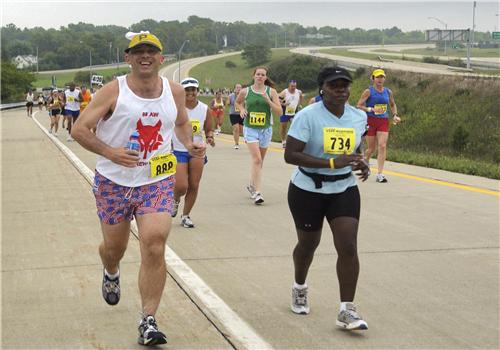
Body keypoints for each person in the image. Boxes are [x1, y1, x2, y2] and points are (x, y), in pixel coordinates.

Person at [72, 31, 205, 347]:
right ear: (128, 58)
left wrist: (190, 143)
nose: (145, 56)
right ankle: (111, 268)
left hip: (156, 179)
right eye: (138, 51)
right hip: (114, 182)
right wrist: (111, 152)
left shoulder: (173, 91)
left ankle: (148, 320)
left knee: (155, 243)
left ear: (162, 58)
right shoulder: (112, 91)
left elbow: (182, 123)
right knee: (114, 248)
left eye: (151, 51)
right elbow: (79, 129)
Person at [284, 66, 370, 331]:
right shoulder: (307, 116)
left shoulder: (357, 117)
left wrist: (361, 162)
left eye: (345, 85)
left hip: (343, 188)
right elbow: (291, 155)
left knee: (347, 245)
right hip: (308, 189)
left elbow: (354, 147)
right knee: (308, 244)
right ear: (322, 88)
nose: (341, 90)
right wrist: (332, 163)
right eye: (334, 85)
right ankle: (299, 286)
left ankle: (347, 310)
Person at [235, 66, 282, 205]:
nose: (260, 76)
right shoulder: (246, 91)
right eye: (258, 74)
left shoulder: (271, 91)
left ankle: (252, 184)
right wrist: (242, 109)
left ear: (266, 78)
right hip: (250, 129)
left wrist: (268, 100)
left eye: (263, 75)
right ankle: (258, 192)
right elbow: (238, 102)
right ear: (253, 76)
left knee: (260, 161)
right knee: (256, 160)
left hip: (265, 130)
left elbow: (279, 112)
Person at [172, 77, 215, 228]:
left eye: (193, 90)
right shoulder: (176, 108)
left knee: (194, 184)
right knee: (181, 185)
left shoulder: (204, 109)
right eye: (187, 90)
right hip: (178, 149)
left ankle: (186, 215)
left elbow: (209, 128)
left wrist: (209, 137)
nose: (190, 93)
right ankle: (175, 199)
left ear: (197, 91)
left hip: (197, 150)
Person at [356, 68, 401, 183]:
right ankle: (365, 163)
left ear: (384, 79)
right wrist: (370, 109)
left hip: (383, 121)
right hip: (370, 121)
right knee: (371, 148)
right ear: (373, 79)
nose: (380, 79)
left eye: (382, 77)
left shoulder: (388, 92)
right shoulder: (368, 91)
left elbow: (392, 104)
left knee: (382, 146)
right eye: (378, 77)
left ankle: (380, 174)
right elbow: (359, 105)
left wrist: (395, 115)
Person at [278, 80, 303, 148]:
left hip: (294, 112)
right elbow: (277, 101)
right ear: (289, 85)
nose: (293, 87)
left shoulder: (299, 92)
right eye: (292, 86)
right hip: (284, 112)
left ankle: (294, 142)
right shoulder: (284, 92)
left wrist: (300, 104)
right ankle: (283, 141)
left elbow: (301, 97)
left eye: (294, 86)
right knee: (284, 127)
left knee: (296, 127)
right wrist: (284, 104)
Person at [227, 83, 243, 149]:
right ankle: (236, 143)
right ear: (234, 89)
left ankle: (235, 133)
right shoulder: (231, 96)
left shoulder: (244, 96)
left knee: (241, 130)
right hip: (233, 114)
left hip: (241, 114)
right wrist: (228, 102)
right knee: (236, 129)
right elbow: (227, 103)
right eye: (237, 87)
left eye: (240, 87)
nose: (238, 89)